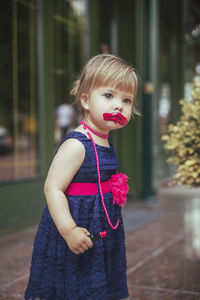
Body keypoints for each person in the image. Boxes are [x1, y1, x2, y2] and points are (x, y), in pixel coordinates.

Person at [25, 54, 138, 300]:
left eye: (127, 100)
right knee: (73, 282)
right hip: (77, 223)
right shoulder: (78, 145)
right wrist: (69, 231)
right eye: (108, 96)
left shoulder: (104, 137)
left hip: (101, 226)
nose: (119, 105)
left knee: (96, 280)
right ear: (85, 100)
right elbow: (52, 188)